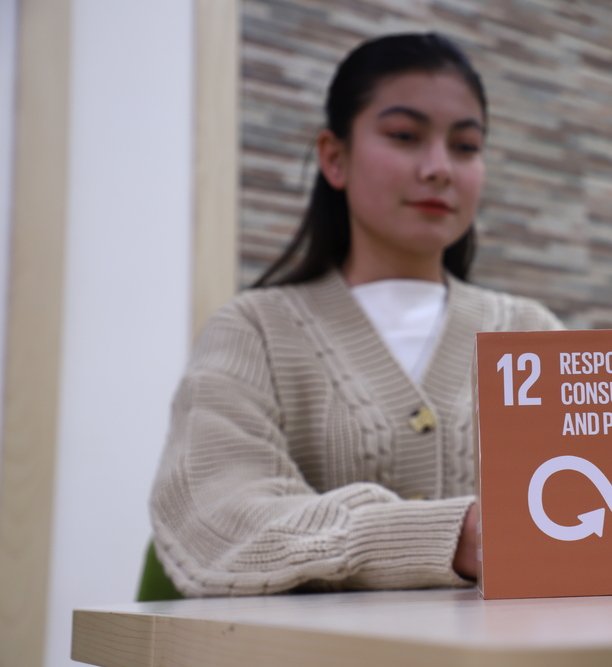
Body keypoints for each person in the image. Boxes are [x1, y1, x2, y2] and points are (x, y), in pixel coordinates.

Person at [149, 32, 561, 596]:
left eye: (466, 146)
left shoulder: (532, 332)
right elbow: (218, 520)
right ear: (334, 158)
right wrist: (454, 536)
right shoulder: (254, 331)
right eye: (404, 136)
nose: (440, 168)